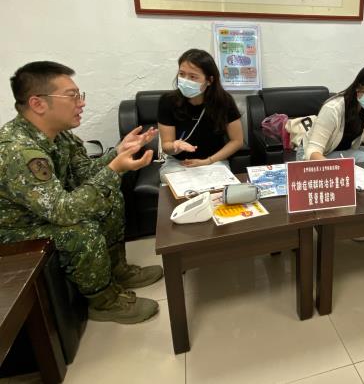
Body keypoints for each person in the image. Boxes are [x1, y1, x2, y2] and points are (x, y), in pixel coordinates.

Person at [0, 61, 163, 324]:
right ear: (38, 104)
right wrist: (114, 169)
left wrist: (118, 153)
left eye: (80, 95)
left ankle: (117, 270)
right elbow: (63, 212)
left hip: (47, 212)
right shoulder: (17, 150)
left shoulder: (61, 136)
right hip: (17, 232)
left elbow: (86, 173)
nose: (81, 103)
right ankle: (103, 302)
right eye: (72, 96)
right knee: (81, 229)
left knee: (109, 198)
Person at [157, 49, 244, 181]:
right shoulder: (168, 101)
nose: (185, 80)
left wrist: (208, 161)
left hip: (214, 162)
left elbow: (237, 141)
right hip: (178, 164)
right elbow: (166, 146)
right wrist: (176, 146)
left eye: (193, 77)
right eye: (182, 74)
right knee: (183, 191)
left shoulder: (224, 101)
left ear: (209, 80)